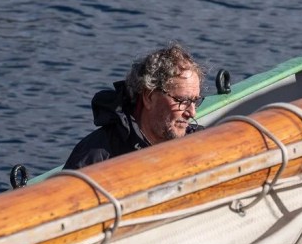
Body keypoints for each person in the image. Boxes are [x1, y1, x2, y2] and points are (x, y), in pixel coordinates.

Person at [63, 43, 206, 170]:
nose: (192, 113)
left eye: (195, 101)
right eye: (182, 100)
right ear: (149, 97)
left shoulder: (200, 143)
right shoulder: (96, 158)